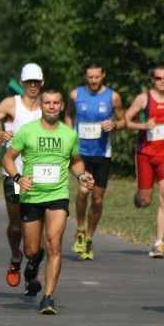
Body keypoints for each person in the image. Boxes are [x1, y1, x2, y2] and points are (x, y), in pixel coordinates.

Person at [2, 89, 94, 314]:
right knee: (32, 249)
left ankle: (48, 297)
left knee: (54, 244)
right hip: (32, 196)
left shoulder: (69, 134)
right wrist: (18, 178)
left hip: (58, 196)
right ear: (41, 106)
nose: (51, 106)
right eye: (47, 103)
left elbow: (76, 162)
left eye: (56, 103)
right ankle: (33, 260)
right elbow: (7, 159)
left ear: (62, 106)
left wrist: (82, 176)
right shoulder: (27, 131)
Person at [0, 63, 44, 287]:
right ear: (21, 83)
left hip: (40, 175)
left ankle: (32, 269)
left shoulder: (47, 105)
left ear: (42, 83)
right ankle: (16, 257)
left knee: (36, 225)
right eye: (29, 82)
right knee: (17, 225)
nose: (33, 86)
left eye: (36, 81)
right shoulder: (11, 104)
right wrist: (1, 133)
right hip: (14, 172)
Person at [65, 61, 126, 260]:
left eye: (97, 77)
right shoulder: (76, 95)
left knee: (97, 199)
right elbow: (69, 116)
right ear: (85, 76)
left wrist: (115, 124)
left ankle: (90, 238)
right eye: (90, 77)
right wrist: (69, 136)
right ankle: (80, 229)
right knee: (83, 192)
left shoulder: (113, 96)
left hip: (102, 153)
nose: (93, 80)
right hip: (81, 152)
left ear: (103, 75)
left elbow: (123, 120)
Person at [124, 65, 164, 258]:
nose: (162, 81)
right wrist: (142, 125)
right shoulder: (143, 99)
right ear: (153, 80)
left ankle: (159, 243)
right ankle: (138, 198)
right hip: (145, 154)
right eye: (158, 78)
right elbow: (124, 121)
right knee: (145, 200)